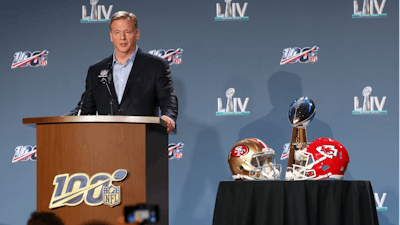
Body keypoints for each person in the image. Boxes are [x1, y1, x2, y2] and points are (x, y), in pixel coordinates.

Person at [69, 11, 178, 133]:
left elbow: (168, 98)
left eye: (127, 32)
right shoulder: (96, 70)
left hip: (145, 140)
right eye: (117, 32)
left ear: (137, 34)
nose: (122, 37)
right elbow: (86, 108)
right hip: (106, 141)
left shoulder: (156, 65)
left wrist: (168, 117)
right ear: (111, 36)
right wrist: (65, 119)